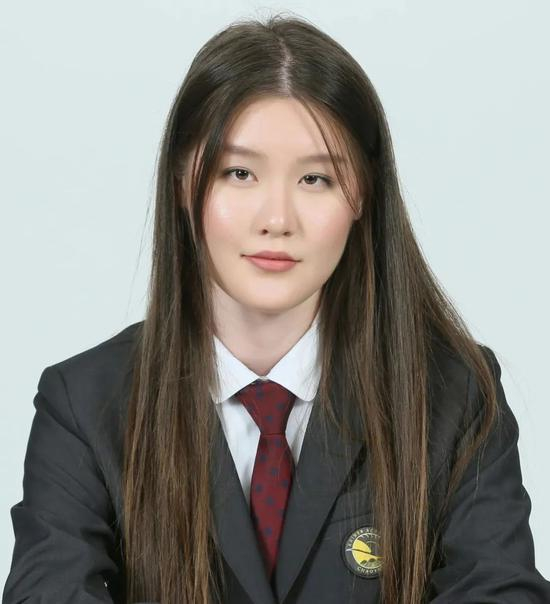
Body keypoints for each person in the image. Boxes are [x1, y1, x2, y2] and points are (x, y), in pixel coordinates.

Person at [3, 13, 550, 604]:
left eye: (316, 179)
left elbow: (499, 590)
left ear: (362, 196)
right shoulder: (84, 404)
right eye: (239, 173)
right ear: (184, 183)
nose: (277, 219)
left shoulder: (455, 394)